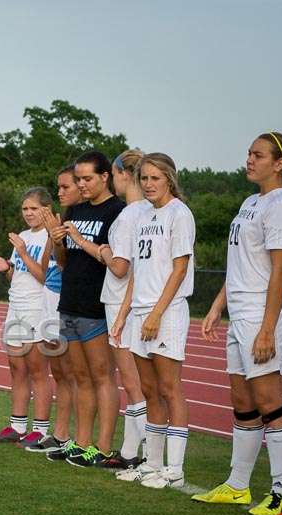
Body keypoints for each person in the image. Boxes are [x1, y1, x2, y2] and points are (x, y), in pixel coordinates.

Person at [195, 132, 282, 515]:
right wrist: (218, 305)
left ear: (279, 163)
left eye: (258, 155)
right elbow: (241, 264)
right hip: (240, 313)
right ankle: (238, 486)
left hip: (261, 314)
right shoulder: (251, 201)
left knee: (271, 403)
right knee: (242, 402)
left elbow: (281, 269)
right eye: (249, 153)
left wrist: (268, 328)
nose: (249, 160)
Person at [112, 153, 195, 488]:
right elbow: (137, 271)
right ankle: (152, 464)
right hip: (141, 312)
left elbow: (179, 268)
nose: (148, 184)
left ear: (169, 179)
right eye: (143, 178)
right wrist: (124, 314)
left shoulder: (179, 213)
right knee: (149, 390)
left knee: (169, 387)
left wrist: (157, 313)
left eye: (155, 178)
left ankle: (174, 470)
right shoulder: (143, 214)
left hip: (167, 311)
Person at [41, 152, 125, 467]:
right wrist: (59, 242)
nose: (81, 184)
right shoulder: (74, 210)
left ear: (105, 177)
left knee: (102, 376)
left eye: (87, 178)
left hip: (97, 304)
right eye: (79, 179)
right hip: (70, 301)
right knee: (79, 376)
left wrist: (76, 236)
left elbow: (116, 260)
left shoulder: (118, 211)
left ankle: (102, 447)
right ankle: (82, 441)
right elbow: (64, 263)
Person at [0, 187, 55, 446]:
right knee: (17, 369)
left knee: (38, 370)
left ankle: (40, 429)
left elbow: (44, 277)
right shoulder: (24, 236)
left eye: (34, 208)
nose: (28, 213)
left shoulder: (49, 236)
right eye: (25, 208)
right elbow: (18, 277)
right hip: (16, 306)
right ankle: (17, 424)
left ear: (46, 209)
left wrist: (24, 253)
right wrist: (6, 268)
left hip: (38, 309)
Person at [97, 150, 150, 469]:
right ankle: (131, 450)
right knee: (138, 384)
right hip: (133, 301)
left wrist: (103, 251)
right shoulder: (146, 212)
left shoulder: (130, 215)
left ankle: (143, 454)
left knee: (133, 384)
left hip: (122, 302)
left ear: (122, 175)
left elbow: (120, 267)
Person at [24, 168, 78, 454]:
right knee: (58, 370)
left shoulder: (80, 220)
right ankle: (60, 434)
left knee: (73, 372)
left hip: (67, 299)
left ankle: (75, 437)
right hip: (50, 296)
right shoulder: (62, 220)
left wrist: (57, 237)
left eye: (65, 186)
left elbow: (69, 263)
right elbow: (50, 265)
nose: (60, 192)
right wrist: (51, 237)